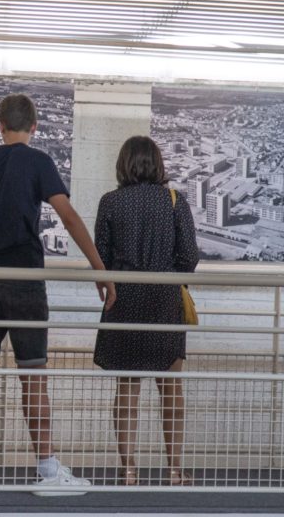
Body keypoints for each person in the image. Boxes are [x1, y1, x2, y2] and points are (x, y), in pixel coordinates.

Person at [0, 93, 115, 499]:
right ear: (35, 126)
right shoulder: (39, 162)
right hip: (25, 281)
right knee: (34, 378)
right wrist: (100, 268)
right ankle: (46, 469)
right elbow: (69, 216)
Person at [93, 136, 199, 486]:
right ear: (157, 163)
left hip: (123, 301)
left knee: (127, 388)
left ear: (123, 163)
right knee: (170, 388)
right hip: (165, 301)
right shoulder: (174, 201)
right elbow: (189, 256)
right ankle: (174, 468)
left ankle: (128, 469)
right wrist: (169, 277)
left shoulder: (110, 202)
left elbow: (102, 256)